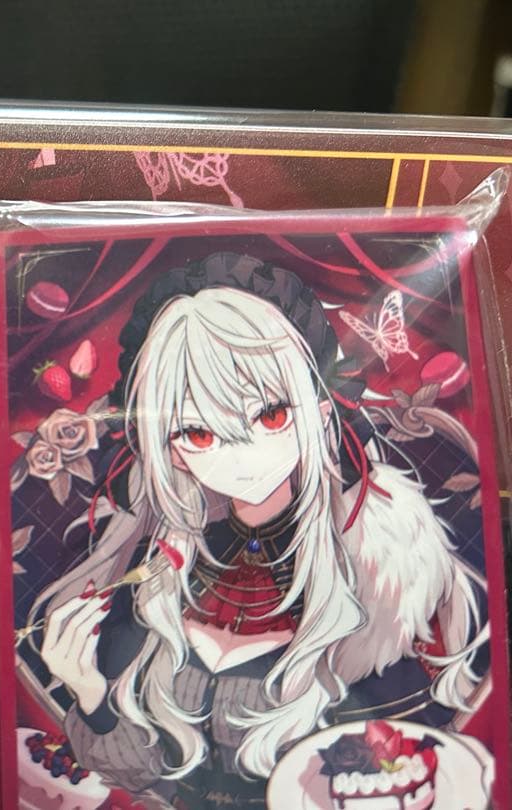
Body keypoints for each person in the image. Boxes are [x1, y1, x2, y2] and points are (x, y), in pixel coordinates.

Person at [30, 254, 485, 808]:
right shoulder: (160, 570)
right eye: (198, 433)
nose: (242, 456)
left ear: (320, 413)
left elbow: (400, 763)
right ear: (171, 448)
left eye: (270, 417)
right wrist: (92, 694)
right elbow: (146, 778)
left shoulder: (381, 568)